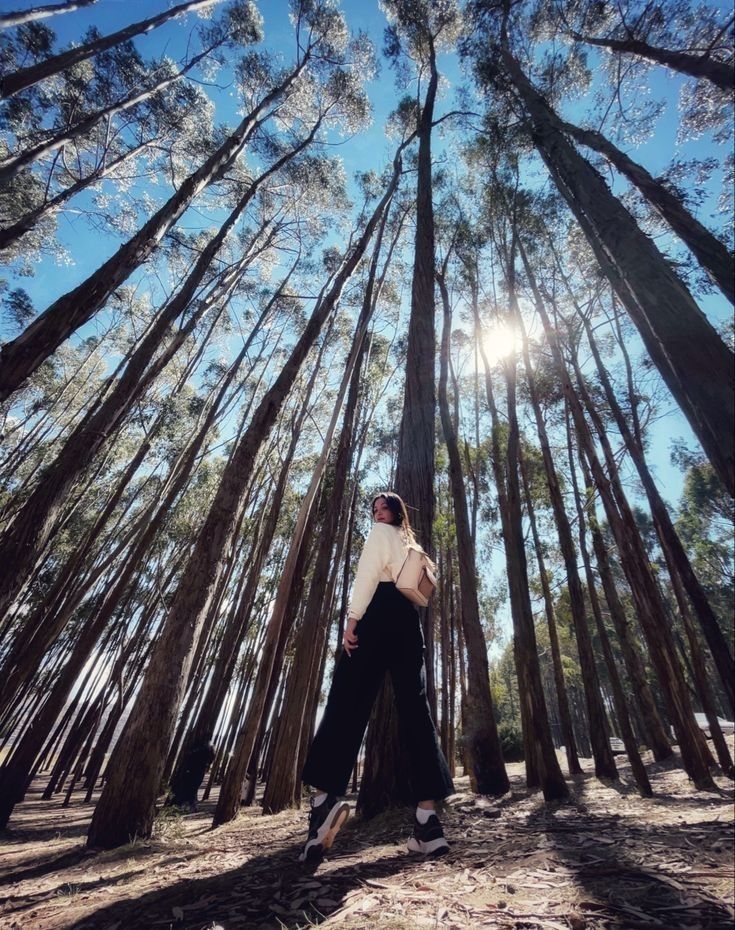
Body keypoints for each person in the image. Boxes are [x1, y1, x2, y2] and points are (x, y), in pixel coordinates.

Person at [299, 492, 454, 862]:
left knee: (347, 703)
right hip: (408, 624)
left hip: (378, 613)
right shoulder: (411, 545)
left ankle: (323, 802)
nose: (377, 513)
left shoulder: (380, 534)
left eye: (382, 508)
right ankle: (427, 821)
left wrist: (353, 621)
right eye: (373, 510)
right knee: (417, 713)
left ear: (396, 511)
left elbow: (368, 576)